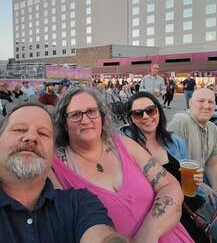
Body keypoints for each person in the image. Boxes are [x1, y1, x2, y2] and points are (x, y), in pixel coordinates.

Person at [52, 86, 194, 243]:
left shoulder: (123, 144)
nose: (85, 120)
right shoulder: (56, 167)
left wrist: (147, 235)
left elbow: (170, 185)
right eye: (75, 115)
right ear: (64, 123)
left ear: (102, 116)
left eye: (92, 111)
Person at [0, 103, 127, 243]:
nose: (31, 137)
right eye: (19, 129)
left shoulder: (79, 203)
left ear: (53, 152)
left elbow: (99, 234)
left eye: (43, 133)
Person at [120, 91, 211, 242]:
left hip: (190, 206)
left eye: (150, 110)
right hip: (159, 213)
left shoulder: (175, 141)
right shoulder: (127, 146)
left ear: (158, 111)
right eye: (138, 113)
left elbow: (191, 180)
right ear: (131, 118)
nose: (146, 117)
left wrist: (196, 180)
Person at [168, 88, 217, 214]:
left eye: (211, 102)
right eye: (201, 101)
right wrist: (203, 187)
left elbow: (212, 161)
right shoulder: (181, 121)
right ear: (190, 103)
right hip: (184, 181)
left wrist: (214, 188)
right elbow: (170, 165)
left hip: (204, 175)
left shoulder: (212, 127)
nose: (206, 105)